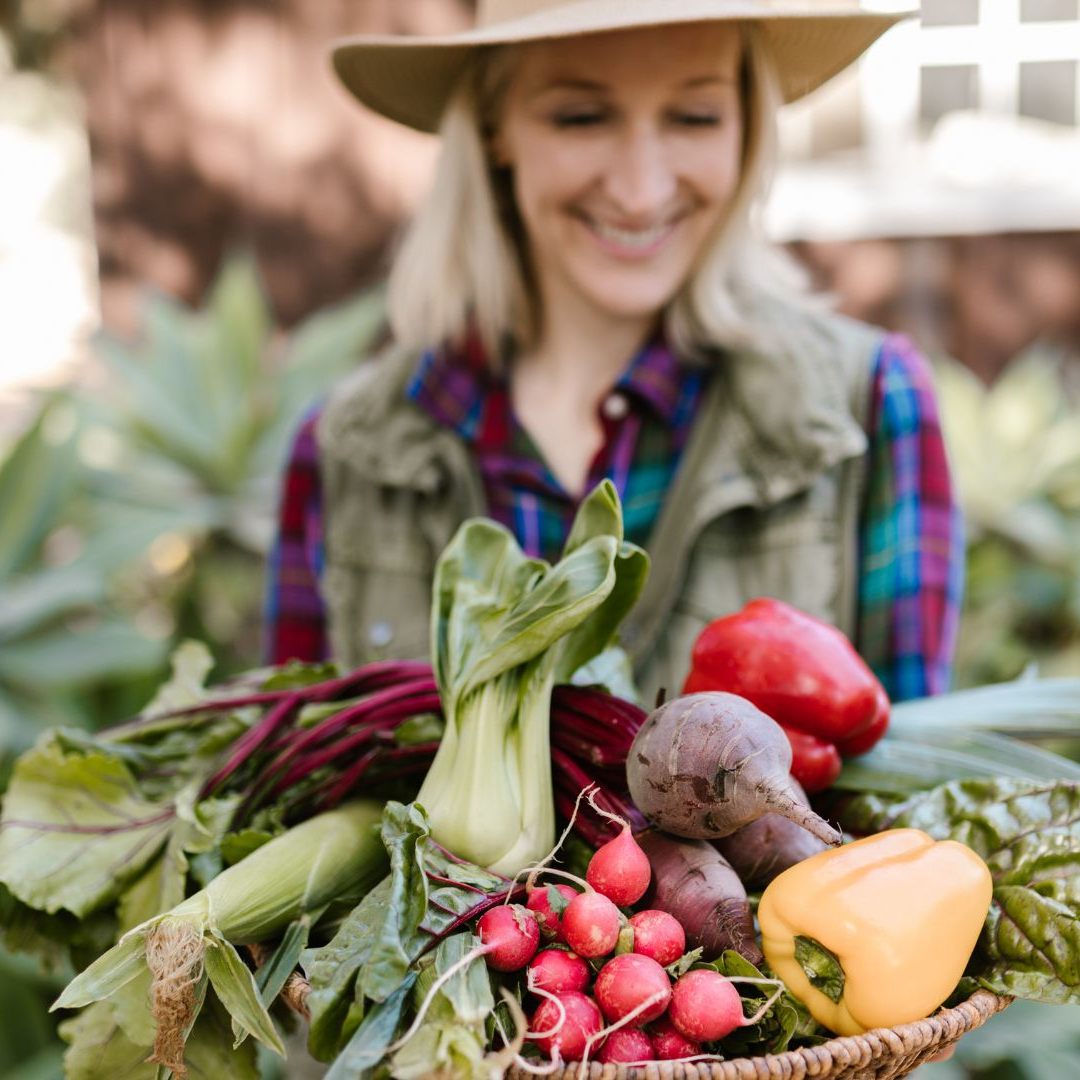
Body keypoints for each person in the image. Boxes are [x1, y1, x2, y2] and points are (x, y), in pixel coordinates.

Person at [265, 0, 963, 706]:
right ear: (492, 128)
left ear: (749, 128)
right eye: (581, 118)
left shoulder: (867, 409)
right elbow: (291, 788)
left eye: (695, 117)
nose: (641, 190)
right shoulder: (345, 452)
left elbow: (907, 802)